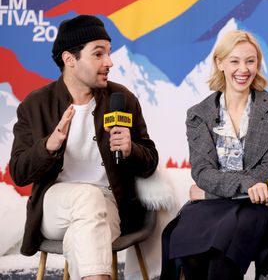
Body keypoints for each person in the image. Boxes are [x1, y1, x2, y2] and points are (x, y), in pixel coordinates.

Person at [9, 15, 159, 280]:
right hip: (54, 206)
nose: (109, 62)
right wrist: (49, 145)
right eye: (98, 54)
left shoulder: (122, 100)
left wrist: (130, 149)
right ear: (70, 59)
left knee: (86, 225)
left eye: (109, 53)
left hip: (108, 205)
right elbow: (19, 173)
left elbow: (150, 162)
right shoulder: (35, 105)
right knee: (87, 199)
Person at [160, 30, 268, 280]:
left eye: (250, 61)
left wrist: (208, 193)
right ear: (220, 63)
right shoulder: (198, 114)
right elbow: (203, 171)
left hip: (264, 206)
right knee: (185, 246)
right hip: (214, 207)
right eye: (235, 61)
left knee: (222, 253)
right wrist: (245, 184)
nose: (243, 69)